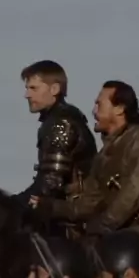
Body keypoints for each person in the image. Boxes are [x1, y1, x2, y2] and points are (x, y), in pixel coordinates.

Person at [37, 80, 139, 260]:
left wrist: (102, 226)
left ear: (119, 109)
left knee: (109, 256)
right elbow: (90, 201)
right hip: (115, 233)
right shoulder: (102, 157)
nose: (94, 111)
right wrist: (52, 207)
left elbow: (136, 191)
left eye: (99, 104)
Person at [16, 60, 96, 204]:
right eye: (27, 88)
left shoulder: (61, 123)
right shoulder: (62, 118)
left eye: (34, 88)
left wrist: (11, 204)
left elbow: (51, 183)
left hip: (71, 211)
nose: (27, 95)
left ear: (54, 89)